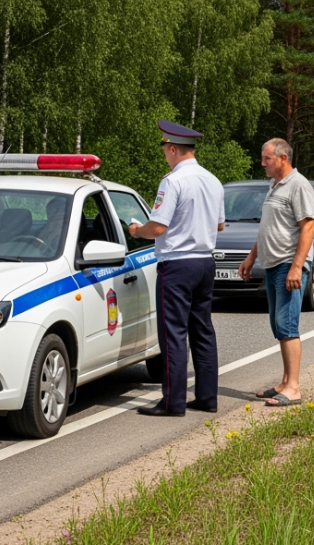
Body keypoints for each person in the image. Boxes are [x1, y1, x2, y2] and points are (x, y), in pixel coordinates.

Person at [128, 120, 225, 417]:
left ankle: (173, 402)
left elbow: (157, 227)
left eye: (165, 151)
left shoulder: (172, 182)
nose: (165, 156)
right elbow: (219, 224)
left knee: (173, 334)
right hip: (205, 262)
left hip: (178, 264)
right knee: (203, 330)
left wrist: (135, 231)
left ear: (172, 149)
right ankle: (207, 397)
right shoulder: (213, 180)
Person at [238, 138, 314, 406]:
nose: (262, 163)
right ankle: (284, 381)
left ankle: (293, 388)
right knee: (277, 325)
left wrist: (296, 266)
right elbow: (268, 228)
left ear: (283, 158)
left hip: (287, 265)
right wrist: (251, 258)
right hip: (272, 265)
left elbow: (308, 227)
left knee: (287, 324)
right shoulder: (275, 187)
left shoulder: (298, 185)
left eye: (266, 158)